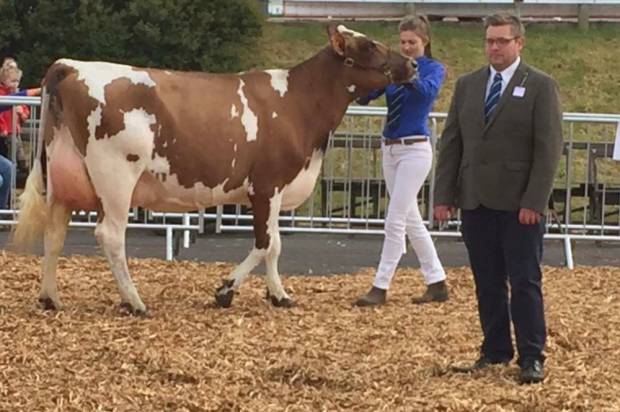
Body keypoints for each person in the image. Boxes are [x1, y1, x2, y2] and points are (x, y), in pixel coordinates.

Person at [433, 14, 563, 384]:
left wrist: (534, 202)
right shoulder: (469, 85)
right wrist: (444, 195)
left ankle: (532, 356)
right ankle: (494, 350)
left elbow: (548, 149)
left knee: (524, 281)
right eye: (490, 40)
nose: (494, 47)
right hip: (476, 202)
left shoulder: (540, 86)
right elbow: (452, 144)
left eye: (502, 41)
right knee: (487, 281)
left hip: (520, 205)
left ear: (519, 43)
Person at [354, 15, 448, 307]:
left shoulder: (433, 69)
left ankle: (380, 285)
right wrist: (360, 76)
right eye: (403, 42)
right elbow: (368, 95)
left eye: (412, 42)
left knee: (394, 220)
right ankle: (437, 281)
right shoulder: (394, 69)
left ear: (425, 41)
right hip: (391, 148)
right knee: (410, 219)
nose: (407, 47)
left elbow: (427, 91)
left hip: (415, 150)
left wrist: (405, 73)